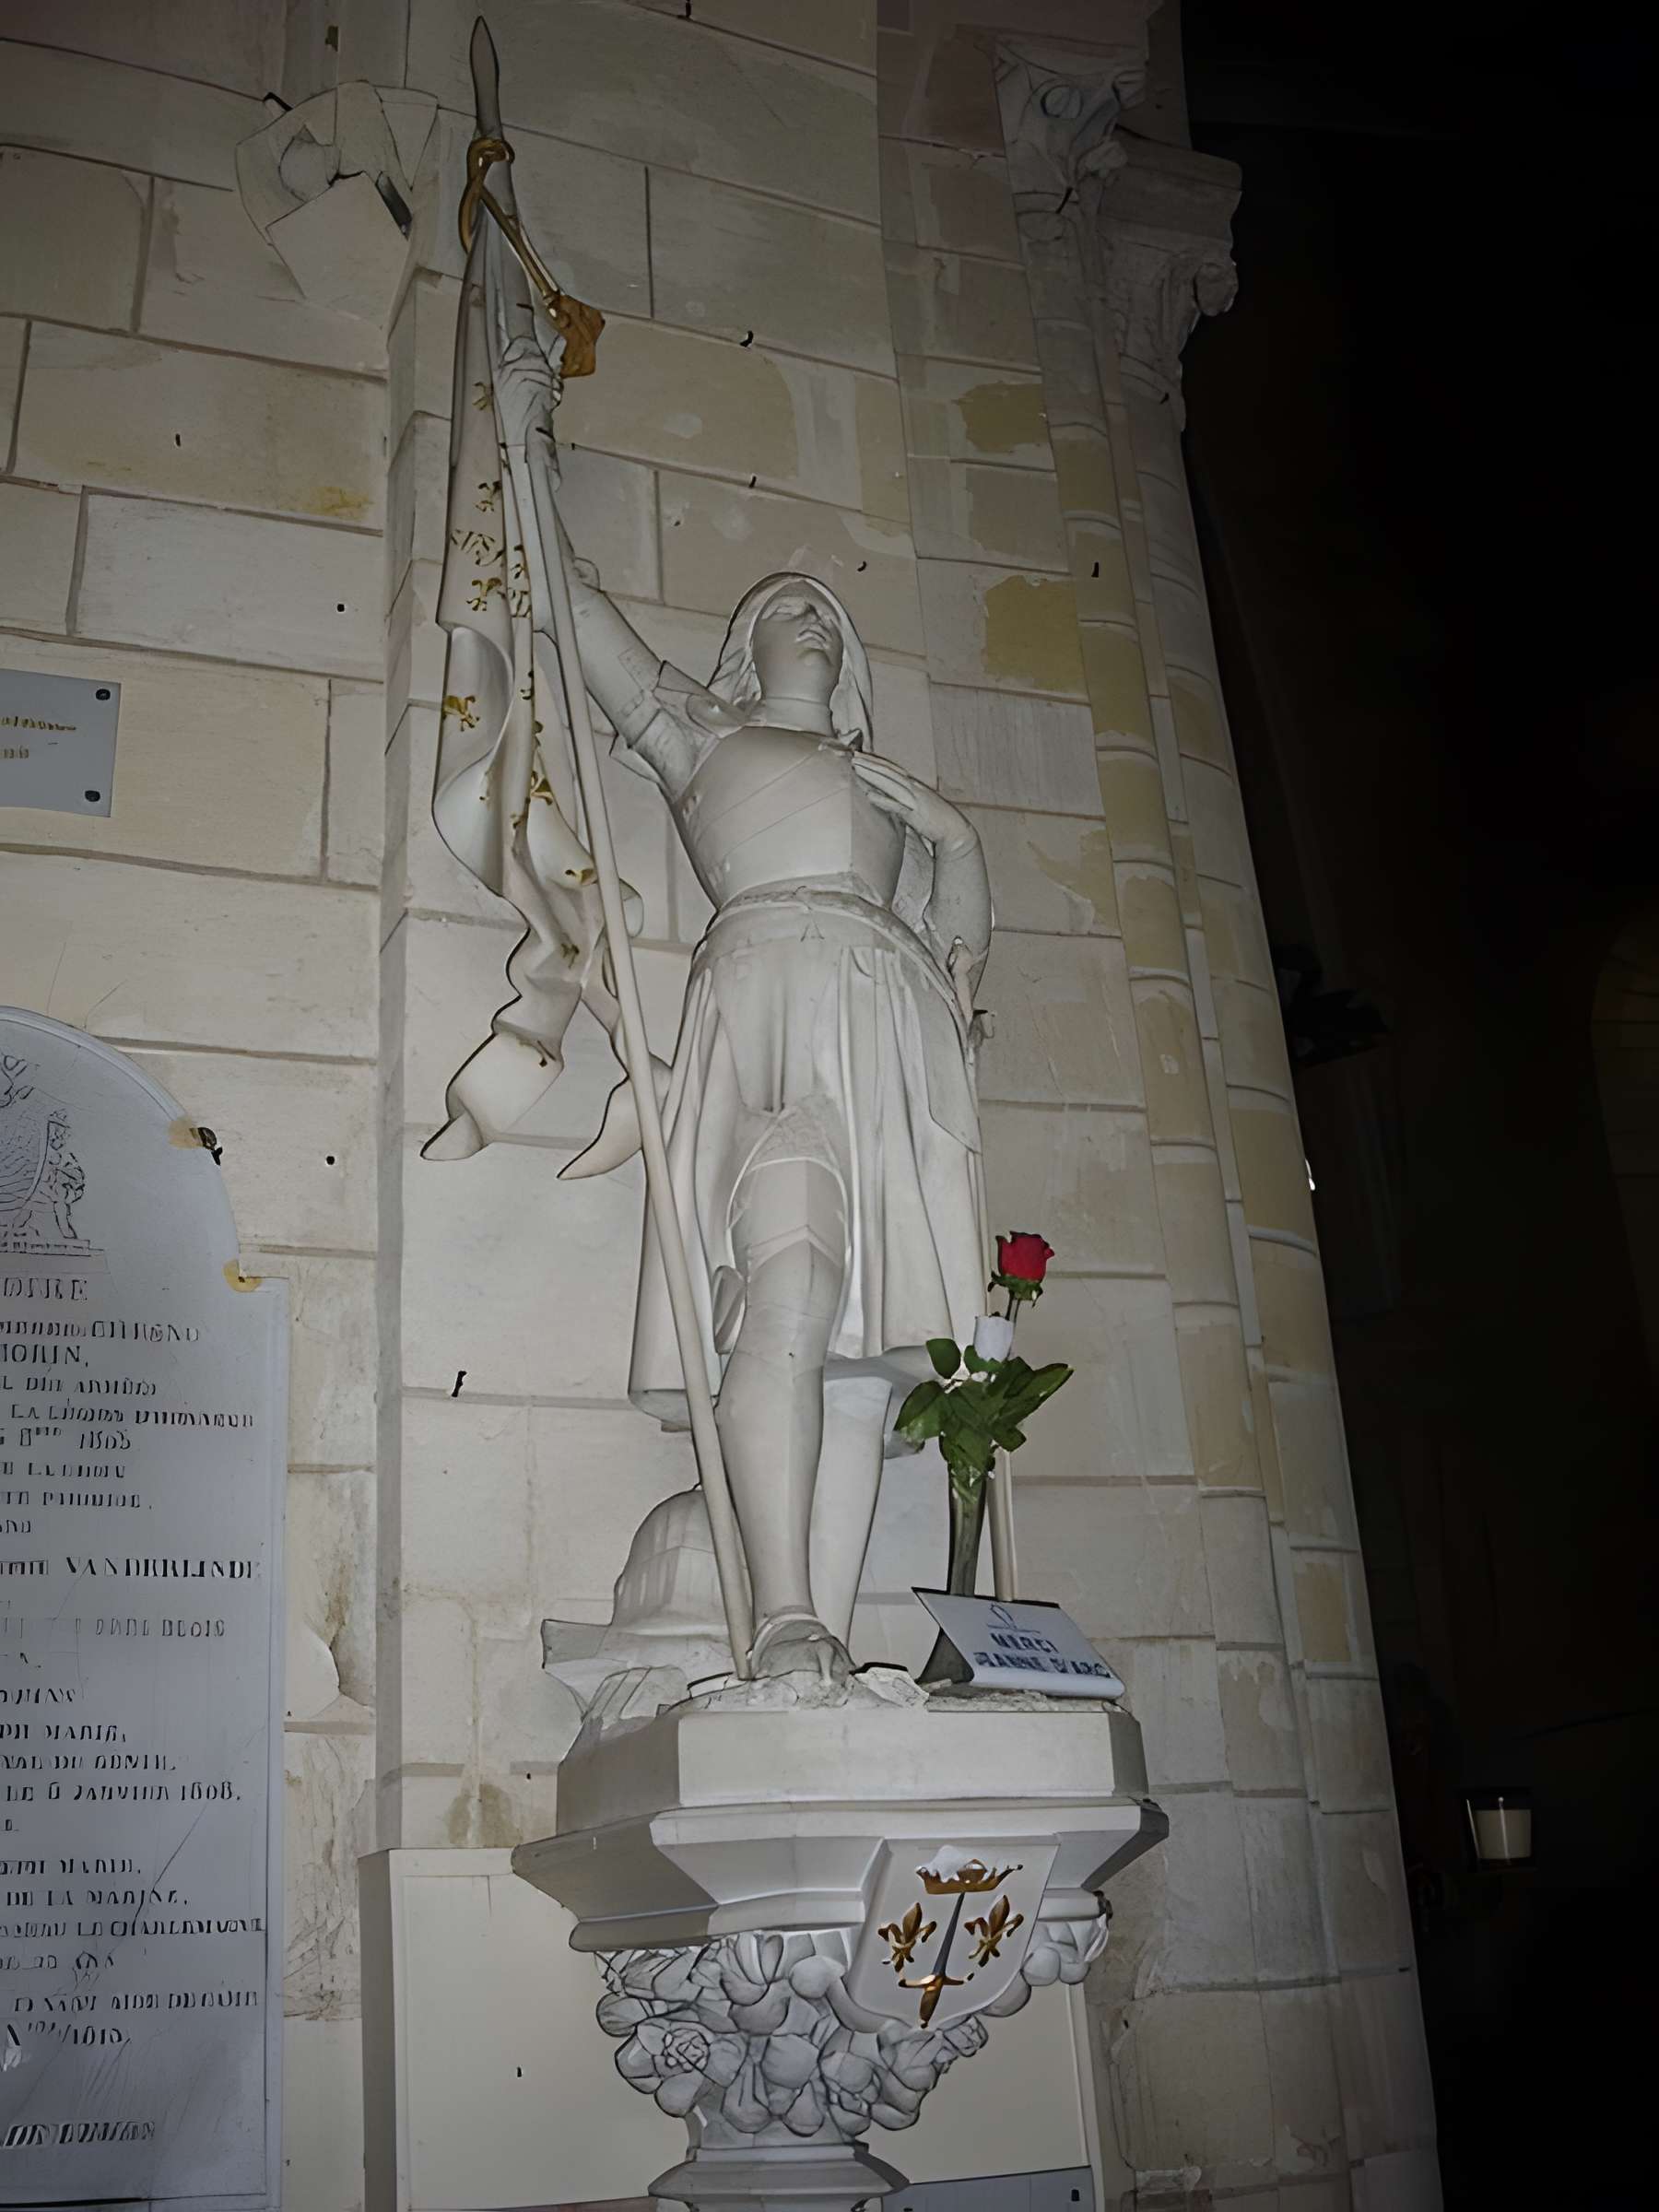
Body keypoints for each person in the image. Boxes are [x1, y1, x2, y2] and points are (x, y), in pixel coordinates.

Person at [552, 544, 994, 1682]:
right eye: (788, 607)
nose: (813, 619)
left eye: (828, 613)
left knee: (864, 1358)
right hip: (769, 1008)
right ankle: (783, 1615)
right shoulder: (703, 738)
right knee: (791, 1286)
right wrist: (531, 441)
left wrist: (956, 844)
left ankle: (823, 1640)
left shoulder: (879, 780)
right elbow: (581, 615)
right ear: (743, 647)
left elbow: (956, 955)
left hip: (889, 1024)